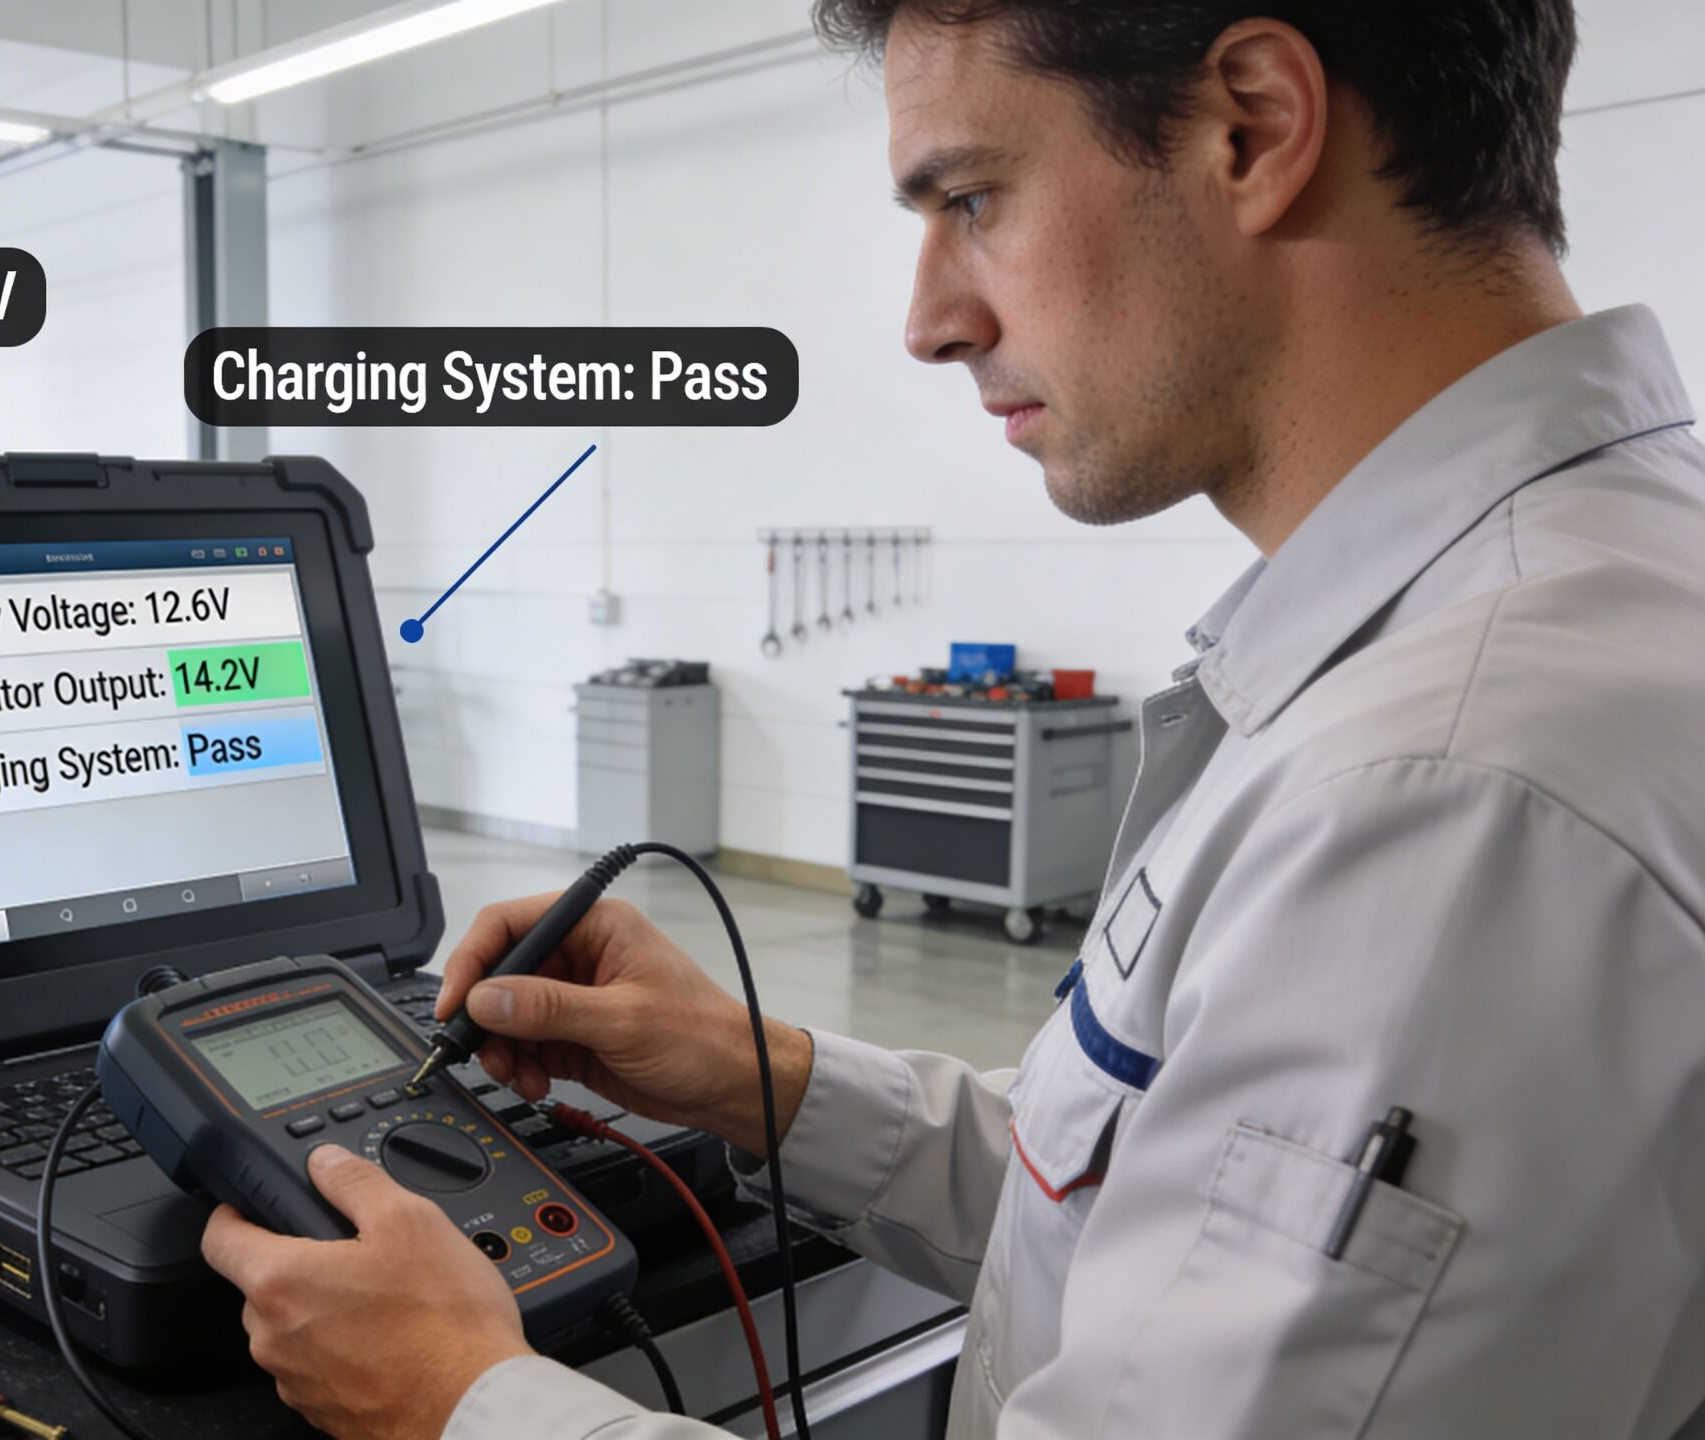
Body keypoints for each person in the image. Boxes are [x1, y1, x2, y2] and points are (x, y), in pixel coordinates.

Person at [199, 1, 1705, 1435]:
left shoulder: (1455, 792)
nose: (929, 320)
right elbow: (1158, 1226)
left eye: (971, 197)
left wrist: (466, 1402)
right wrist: (758, 1075)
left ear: (1253, 127)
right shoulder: (1562, 605)